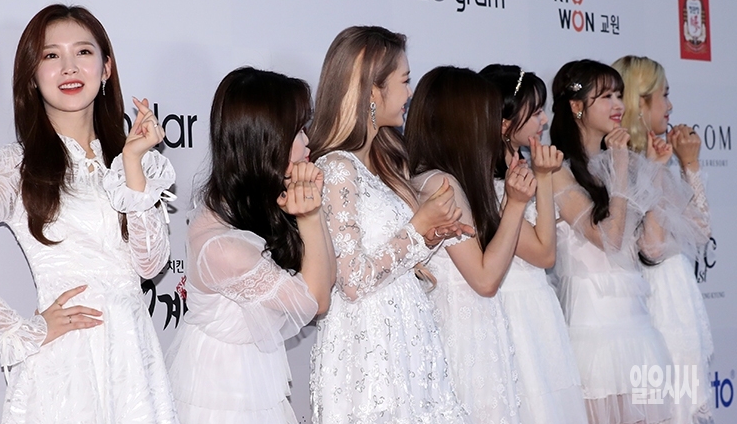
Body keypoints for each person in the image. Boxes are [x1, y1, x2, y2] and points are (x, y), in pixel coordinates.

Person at [0, 4, 177, 423]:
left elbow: (150, 265)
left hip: (133, 362)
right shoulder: (16, 165)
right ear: (32, 75)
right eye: (51, 55)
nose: (69, 67)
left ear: (106, 68)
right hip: (67, 365)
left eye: (83, 52)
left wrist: (133, 162)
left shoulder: (130, 162)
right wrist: (23, 330)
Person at [307, 26, 468, 423]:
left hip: (405, 336)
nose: (410, 93)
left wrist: (430, 233)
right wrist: (418, 227)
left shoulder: (380, 162)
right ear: (372, 91)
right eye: (405, 80)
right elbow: (352, 280)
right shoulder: (337, 168)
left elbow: (395, 255)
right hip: (370, 350)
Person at [164, 67, 335, 424]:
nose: (307, 143)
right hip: (226, 390)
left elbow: (325, 279)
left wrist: (311, 213)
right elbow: (316, 300)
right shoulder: (224, 246)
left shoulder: (241, 208)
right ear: (265, 140)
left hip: (245, 376)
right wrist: (310, 216)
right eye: (297, 131)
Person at [405, 66, 534, 424]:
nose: (497, 129)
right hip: (463, 344)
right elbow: (484, 279)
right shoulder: (441, 185)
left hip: (473, 337)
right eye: (489, 117)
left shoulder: (436, 179)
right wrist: (516, 204)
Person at [548, 59, 673, 424]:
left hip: (638, 330)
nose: (618, 105)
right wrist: (620, 167)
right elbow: (608, 238)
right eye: (606, 96)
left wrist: (653, 170)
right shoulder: (556, 170)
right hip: (592, 335)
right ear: (576, 106)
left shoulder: (621, 163)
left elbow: (653, 247)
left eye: (619, 95)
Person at [480, 64, 588, 424]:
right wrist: (542, 178)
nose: (544, 120)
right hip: (515, 313)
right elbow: (544, 253)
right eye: (536, 111)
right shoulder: (493, 185)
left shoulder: (520, 168)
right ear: (505, 123)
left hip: (539, 307)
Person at [613, 55, 714, 424]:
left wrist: (689, 164)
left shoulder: (657, 159)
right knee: (664, 411)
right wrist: (659, 168)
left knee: (681, 409)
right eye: (664, 95)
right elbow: (652, 248)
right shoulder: (623, 163)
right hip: (655, 308)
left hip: (676, 303)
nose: (670, 106)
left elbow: (700, 230)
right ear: (640, 102)